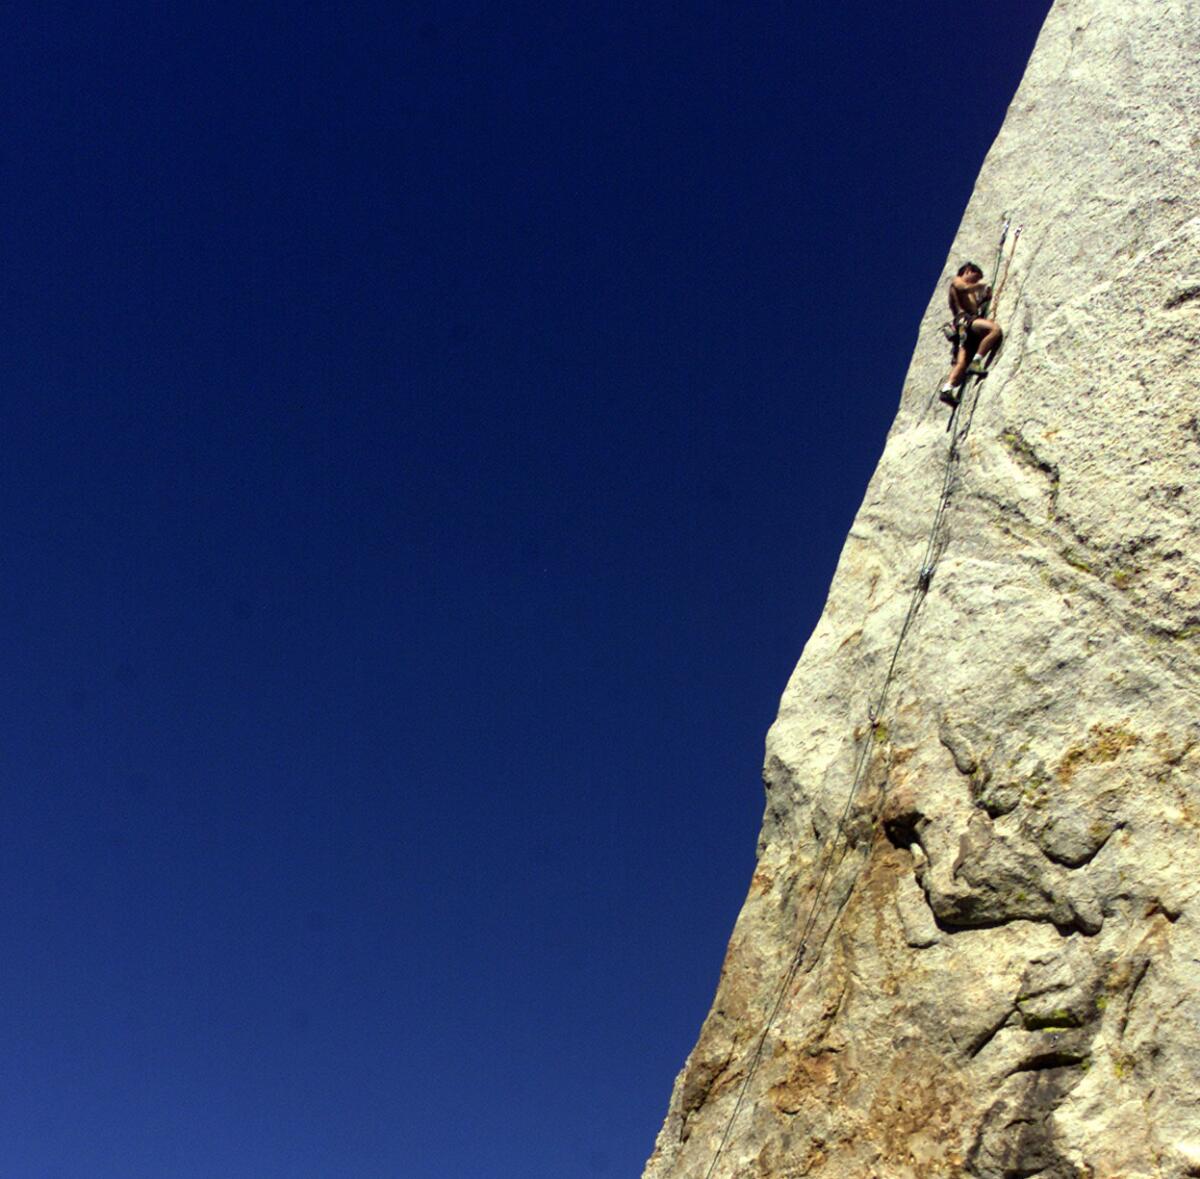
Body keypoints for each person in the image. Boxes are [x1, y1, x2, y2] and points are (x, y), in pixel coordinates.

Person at [938, 261, 1003, 406]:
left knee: (961, 362)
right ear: (967, 271)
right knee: (994, 330)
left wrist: (984, 299)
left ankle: (947, 389)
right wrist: (981, 286)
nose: (977, 281)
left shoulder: (969, 293)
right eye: (975, 277)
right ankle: (977, 361)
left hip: (963, 327)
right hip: (965, 321)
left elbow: (973, 305)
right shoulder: (957, 281)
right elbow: (964, 288)